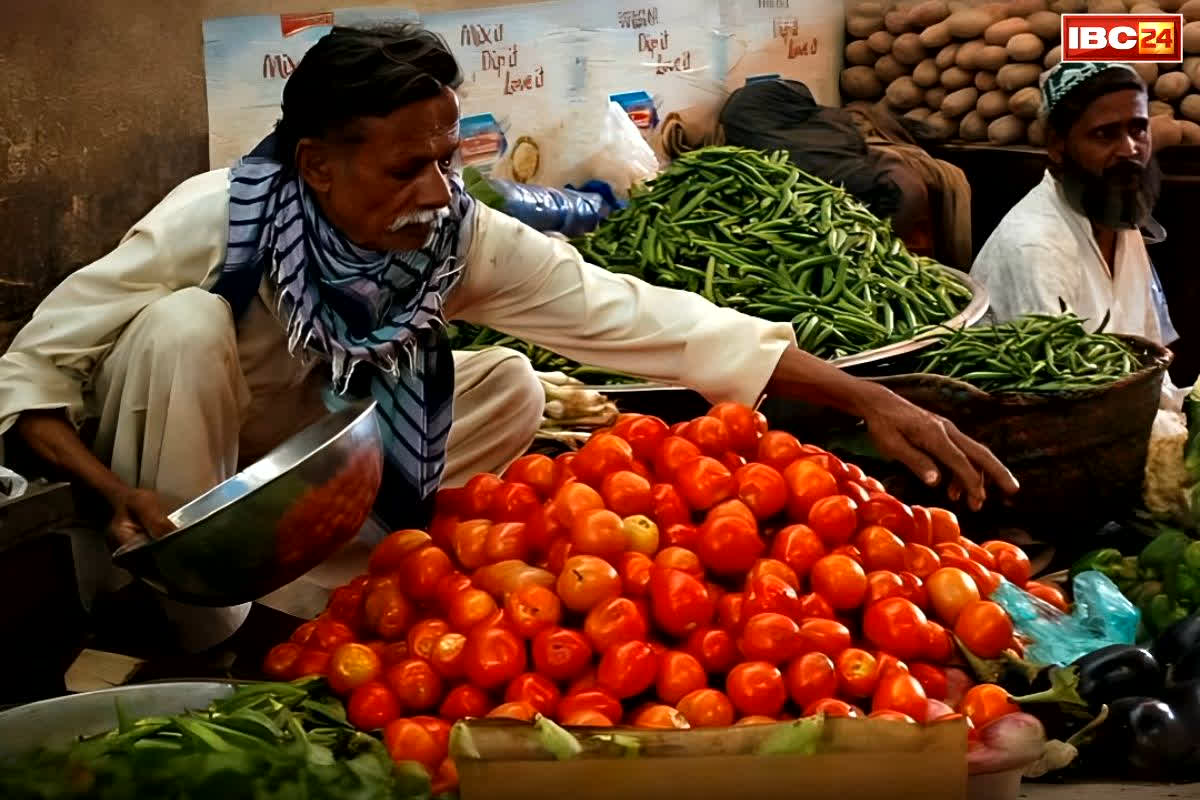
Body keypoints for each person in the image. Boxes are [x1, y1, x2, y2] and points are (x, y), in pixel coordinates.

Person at [0, 25, 1016, 649]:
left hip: (305, 462)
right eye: (407, 166)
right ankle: (198, 633)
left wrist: (868, 394)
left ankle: (315, 596)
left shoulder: (449, 233)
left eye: (446, 157)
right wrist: (109, 487)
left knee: (515, 387)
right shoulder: (212, 219)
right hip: (166, 486)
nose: (438, 189)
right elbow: (30, 374)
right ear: (314, 164)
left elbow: (640, 317)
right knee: (180, 329)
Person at [971, 62, 1177, 348]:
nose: (1130, 149)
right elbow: (1058, 385)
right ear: (1057, 145)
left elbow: (1149, 350)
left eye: (1139, 129)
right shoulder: (1035, 247)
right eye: (1106, 134)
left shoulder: (1117, 215)